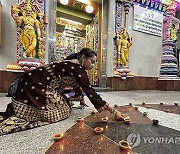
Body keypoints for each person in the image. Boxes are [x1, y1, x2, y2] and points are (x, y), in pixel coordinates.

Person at [0, 48, 126, 136]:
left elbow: (78, 87)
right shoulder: (77, 68)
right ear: (83, 58)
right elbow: (91, 92)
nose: (93, 65)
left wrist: (81, 101)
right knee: (61, 112)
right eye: (92, 61)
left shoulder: (74, 64)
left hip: (33, 81)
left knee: (65, 104)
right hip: (35, 84)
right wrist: (114, 111)